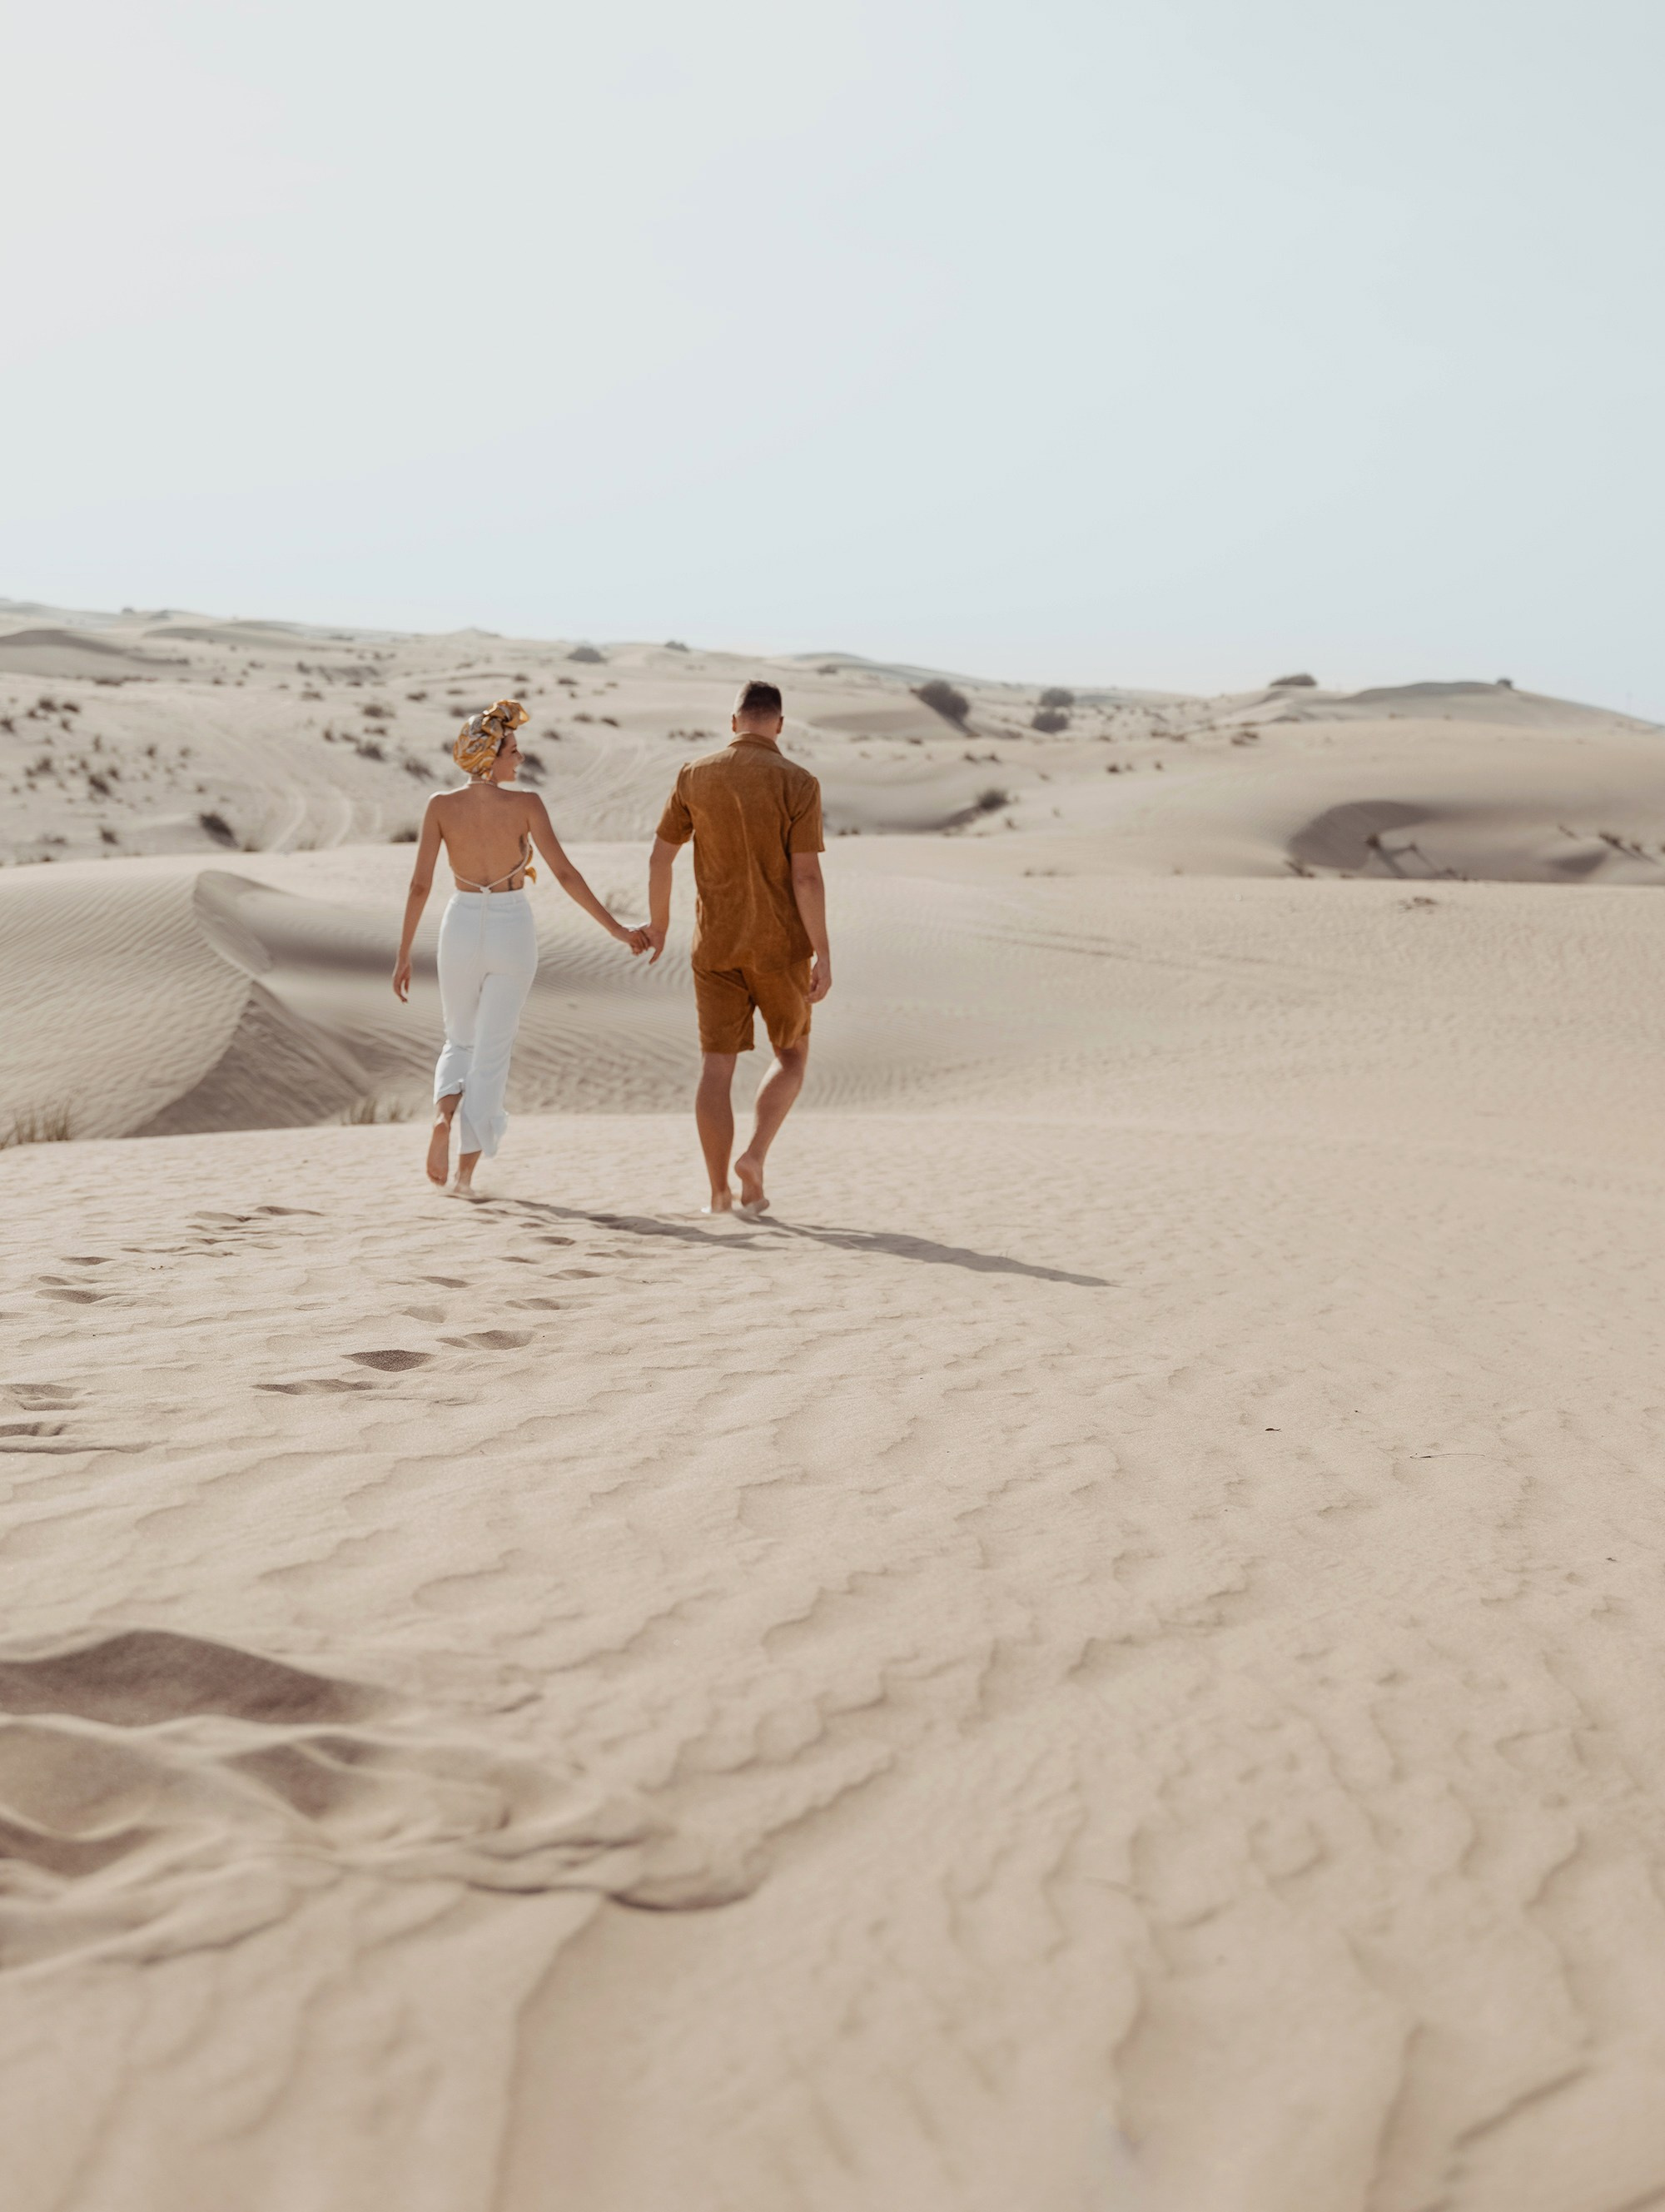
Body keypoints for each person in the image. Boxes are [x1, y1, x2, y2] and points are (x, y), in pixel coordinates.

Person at [393, 698, 648, 1195]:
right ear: (490, 756)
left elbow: (419, 886)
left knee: (459, 1040)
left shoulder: (440, 806)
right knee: (491, 1054)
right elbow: (567, 875)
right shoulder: (526, 805)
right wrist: (616, 929)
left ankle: (444, 1115)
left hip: (460, 922)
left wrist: (404, 953)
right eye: (513, 749)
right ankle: (464, 1176)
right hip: (511, 927)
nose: (520, 758)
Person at [645, 679, 830, 1215]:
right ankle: (753, 1156)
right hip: (780, 947)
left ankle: (718, 1194)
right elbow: (807, 879)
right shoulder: (799, 781)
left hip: (715, 947)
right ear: (778, 724)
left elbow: (660, 859)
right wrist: (824, 952)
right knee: (792, 1055)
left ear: (734, 722)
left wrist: (658, 926)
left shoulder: (693, 775)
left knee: (716, 1069)